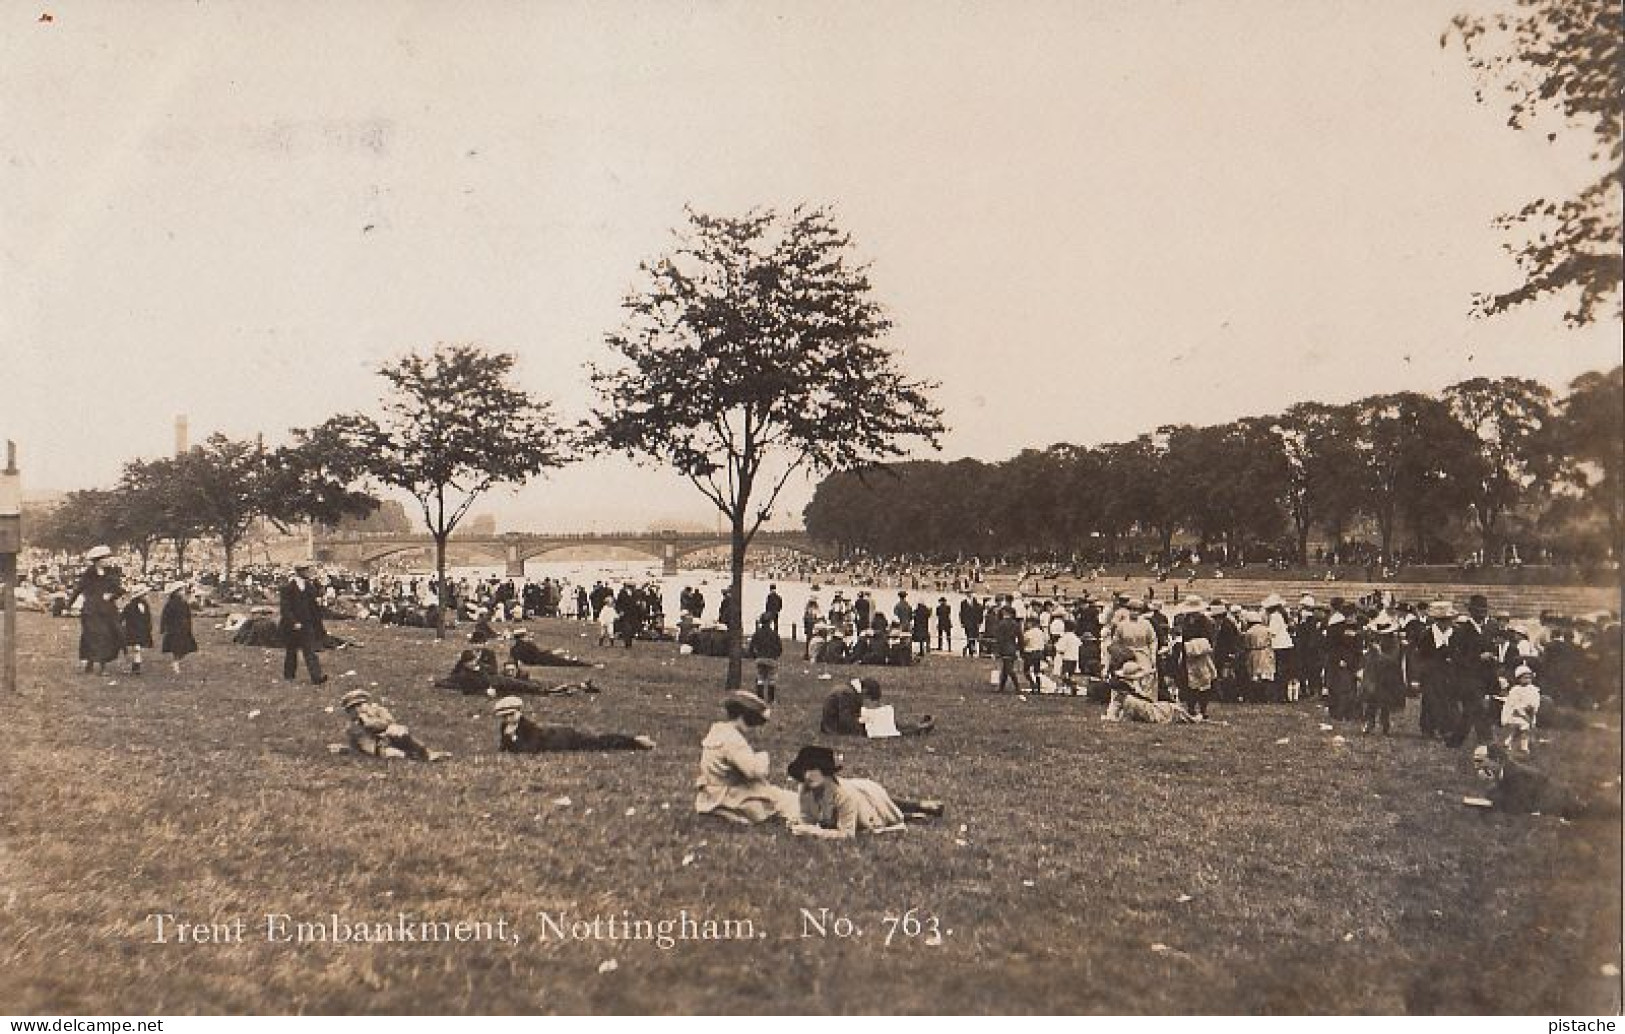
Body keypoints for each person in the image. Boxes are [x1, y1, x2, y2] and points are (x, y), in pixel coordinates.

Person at [786, 746, 943, 839]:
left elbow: (847, 834)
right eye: (805, 770)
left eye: (813, 769)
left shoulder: (842, 794)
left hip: (866, 797)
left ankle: (920, 807)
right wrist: (801, 826)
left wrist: (812, 831)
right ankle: (917, 811)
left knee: (885, 812)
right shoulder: (805, 789)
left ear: (826, 771)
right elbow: (806, 820)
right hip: (855, 791)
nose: (807, 775)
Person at [694, 691, 800, 825]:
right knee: (790, 801)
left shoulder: (717, 731)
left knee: (780, 795)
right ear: (741, 717)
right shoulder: (733, 740)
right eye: (751, 721)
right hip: (734, 796)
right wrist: (763, 758)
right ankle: (730, 812)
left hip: (713, 793)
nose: (753, 727)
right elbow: (753, 772)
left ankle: (720, 810)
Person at [493, 696, 654, 753]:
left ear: (519, 712)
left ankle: (635, 741)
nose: (509, 719)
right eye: (505, 716)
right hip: (556, 736)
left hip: (564, 739)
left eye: (511, 714)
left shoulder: (528, 727)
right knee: (596, 742)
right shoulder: (505, 728)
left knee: (598, 742)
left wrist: (513, 738)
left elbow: (530, 749)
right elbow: (504, 749)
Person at [338, 689, 447, 761]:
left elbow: (389, 722)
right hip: (379, 748)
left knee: (396, 730)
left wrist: (370, 720)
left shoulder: (379, 711)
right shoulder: (353, 726)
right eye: (352, 708)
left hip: (394, 739)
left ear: (368, 703)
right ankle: (412, 756)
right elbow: (364, 746)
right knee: (394, 753)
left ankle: (426, 753)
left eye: (361, 705)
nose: (358, 709)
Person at [68, 545, 123, 675]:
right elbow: (79, 589)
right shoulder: (89, 574)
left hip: (107, 610)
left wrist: (112, 595)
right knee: (92, 636)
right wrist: (69, 603)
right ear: (98, 560)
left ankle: (101, 665)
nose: (108, 560)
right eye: (106, 558)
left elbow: (119, 590)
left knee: (106, 636)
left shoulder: (112, 573)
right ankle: (92, 663)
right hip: (91, 610)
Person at [279, 562, 328, 685]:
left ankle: (316, 677)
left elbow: (315, 603)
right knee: (291, 651)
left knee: (309, 650)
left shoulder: (309, 586)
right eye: (306, 570)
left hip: (307, 624)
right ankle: (289, 675)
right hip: (291, 625)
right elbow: (285, 608)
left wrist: (317, 624)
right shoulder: (287, 587)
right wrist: (293, 622)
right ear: (299, 571)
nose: (308, 572)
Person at [1359, 619, 1406, 735]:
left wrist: (1379, 652)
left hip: (1388, 675)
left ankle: (1385, 723)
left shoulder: (1395, 643)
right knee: (1371, 699)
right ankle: (1369, 722)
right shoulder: (1375, 641)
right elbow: (1369, 657)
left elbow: (1393, 659)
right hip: (1374, 674)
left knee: (1385, 700)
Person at [1500, 666, 1541, 755]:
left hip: (1528, 713)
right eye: (1524, 678)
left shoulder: (1533, 689)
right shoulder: (1515, 690)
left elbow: (1535, 701)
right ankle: (1523, 746)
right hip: (1515, 714)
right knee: (1522, 727)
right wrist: (1524, 715)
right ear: (1519, 679)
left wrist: (1532, 709)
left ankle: (1509, 742)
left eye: (1529, 677)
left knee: (1524, 729)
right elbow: (1515, 706)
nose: (1527, 680)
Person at [159, 581, 198, 675]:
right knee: (177, 647)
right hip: (175, 628)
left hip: (183, 628)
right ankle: (175, 664)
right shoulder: (171, 603)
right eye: (181, 590)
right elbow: (165, 616)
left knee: (184, 647)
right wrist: (163, 627)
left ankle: (176, 662)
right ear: (176, 592)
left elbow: (188, 614)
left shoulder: (184, 602)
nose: (183, 592)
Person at [747, 613, 783, 703]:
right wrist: (775, 656)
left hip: (760, 658)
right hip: (771, 659)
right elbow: (779, 648)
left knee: (760, 678)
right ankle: (770, 699)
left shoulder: (757, 633)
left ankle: (760, 698)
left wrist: (754, 656)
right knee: (771, 679)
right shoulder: (774, 634)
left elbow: (751, 647)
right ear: (770, 622)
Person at [120, 586, 154, 675]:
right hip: (132, 630)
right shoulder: (130, 606)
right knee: (135, 648)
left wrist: (148, 627)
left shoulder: (145, 605)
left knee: (137, 648)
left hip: (141, 630)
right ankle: (135, 666)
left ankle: (136, 666)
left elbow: (147, 617)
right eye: (144, 595)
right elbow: (122, 617)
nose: (146, 596)